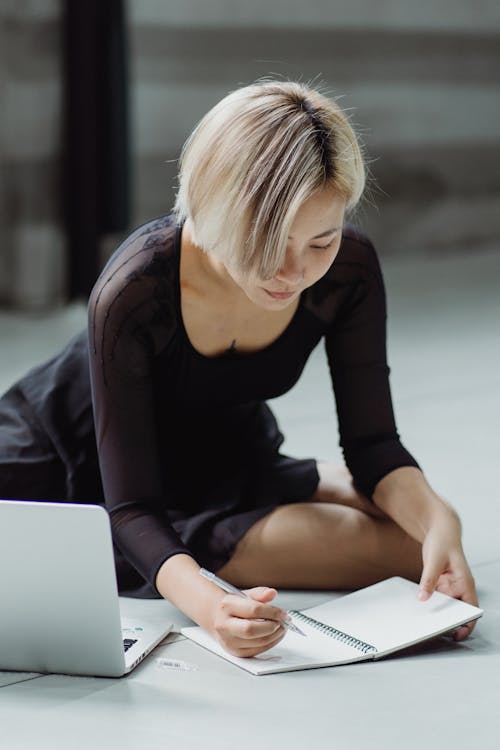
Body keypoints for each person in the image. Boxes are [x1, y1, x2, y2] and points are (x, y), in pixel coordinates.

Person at [0, 80, 478, 658]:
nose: (293, 272)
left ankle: (301, 482)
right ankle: (292, 494)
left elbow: (375, 443)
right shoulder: (135, 290)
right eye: (269, 242)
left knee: (426, 541)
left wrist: (436, 518)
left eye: (320, 241)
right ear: (212, 204)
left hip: (227, 453)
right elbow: (130, 508)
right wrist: (209, 605)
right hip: (76, 464)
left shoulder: (348, 271)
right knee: (406, 545)